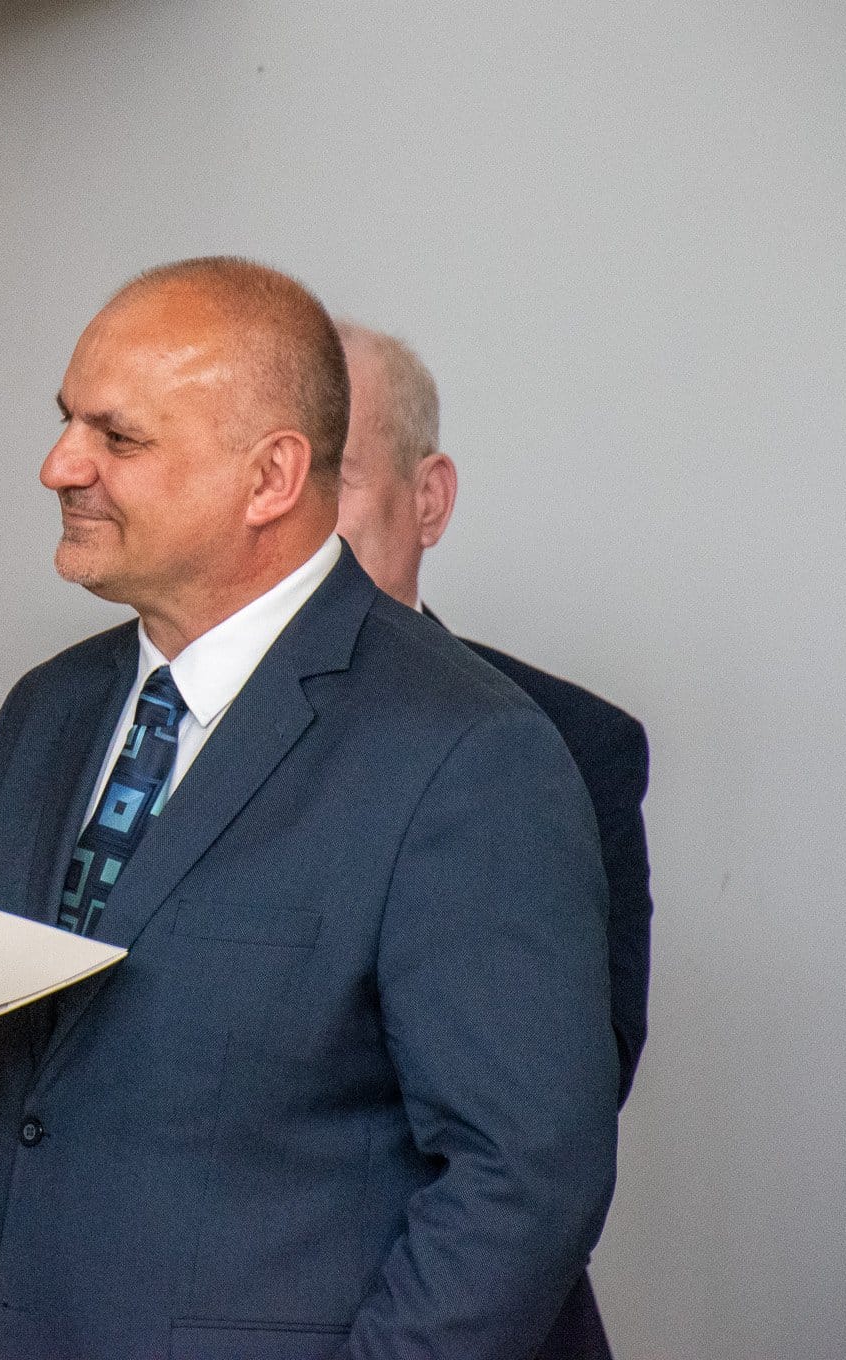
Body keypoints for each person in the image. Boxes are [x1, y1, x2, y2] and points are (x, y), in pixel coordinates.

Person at [0, 257, 619, 1359]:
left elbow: (522, 1182)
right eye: (66, 421)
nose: (58, 465)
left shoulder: (466, 750)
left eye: (116, 438)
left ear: (271, 478)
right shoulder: (47, 713)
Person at [333, 320, 653, 1358]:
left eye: (334, 477)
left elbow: (554, 1116)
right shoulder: (156, 725)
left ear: (427, 499)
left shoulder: (565, 741)